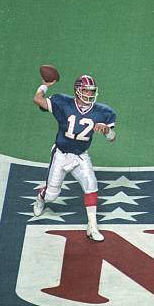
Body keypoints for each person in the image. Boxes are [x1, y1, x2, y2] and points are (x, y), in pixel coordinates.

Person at [32, 75, 117, 242]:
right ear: (78, 90)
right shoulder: (63, 103)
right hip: (61, 154)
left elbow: (113, 138)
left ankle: (92, 226)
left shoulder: (103, 112)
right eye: (86, 90)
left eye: (92, 91)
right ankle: (40, 197)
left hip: (80, 155)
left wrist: (107, 131)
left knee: (91, 185)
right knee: (51, 196)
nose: (89, 94)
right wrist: (44, 86)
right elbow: (38, 99)